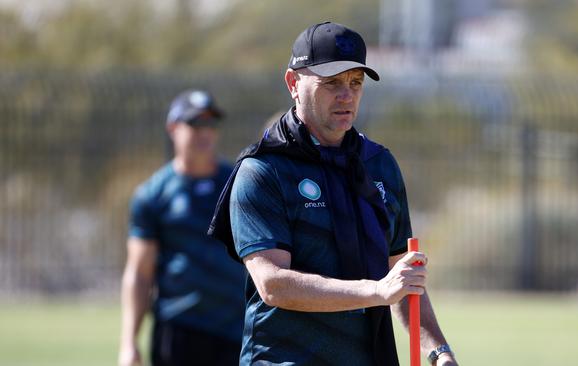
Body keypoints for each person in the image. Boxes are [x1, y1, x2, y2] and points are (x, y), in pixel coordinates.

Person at [209, 22, 458, 366]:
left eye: (356, 83)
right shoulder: (263, 171)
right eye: (332, 83)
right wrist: (376, 291)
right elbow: (273, 285)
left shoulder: (379, 164)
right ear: (293, 83)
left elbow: (400, 277)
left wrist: (439, 351)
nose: (347, 95)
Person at [119, 90, 246, 366]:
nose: (205, 133)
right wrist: (129, 342)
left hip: (235, 329)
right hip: (179, 331)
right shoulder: (153, 194)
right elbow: (140, 273)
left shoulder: (238, 184)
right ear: (173, 128)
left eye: (210, 124)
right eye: (195, 124)